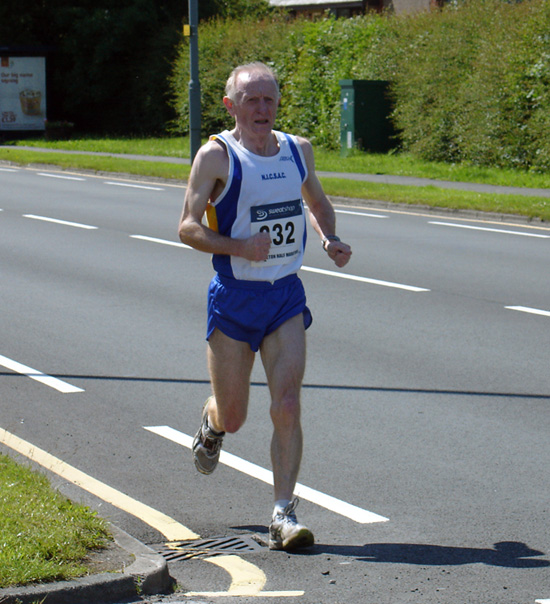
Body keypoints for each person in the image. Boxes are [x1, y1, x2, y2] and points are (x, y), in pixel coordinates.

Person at [178, 62, 352, 551]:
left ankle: (283, 513)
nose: (261, 109)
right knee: (234, 416)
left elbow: (314, 203)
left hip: (284, 296)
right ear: (230, 105)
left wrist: (330, 238)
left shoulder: (297, 150)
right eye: (250, 100)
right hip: (234, 298)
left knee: (288, 404)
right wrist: (240, 247)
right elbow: (187, 227)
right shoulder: (216, 156)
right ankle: (213, 423)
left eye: (269, 99)